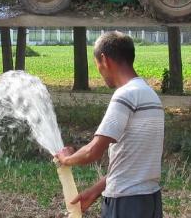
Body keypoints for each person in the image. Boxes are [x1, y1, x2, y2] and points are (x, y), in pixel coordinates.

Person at [55, 31, 165, 218]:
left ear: (104, 60)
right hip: (150, 201)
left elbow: (93, 151)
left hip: (125, 204)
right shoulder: (150, 95)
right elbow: (131, 166)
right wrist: (94, 191)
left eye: (97, 64)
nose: (98, 70)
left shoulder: (125, 95)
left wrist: (66, 159)